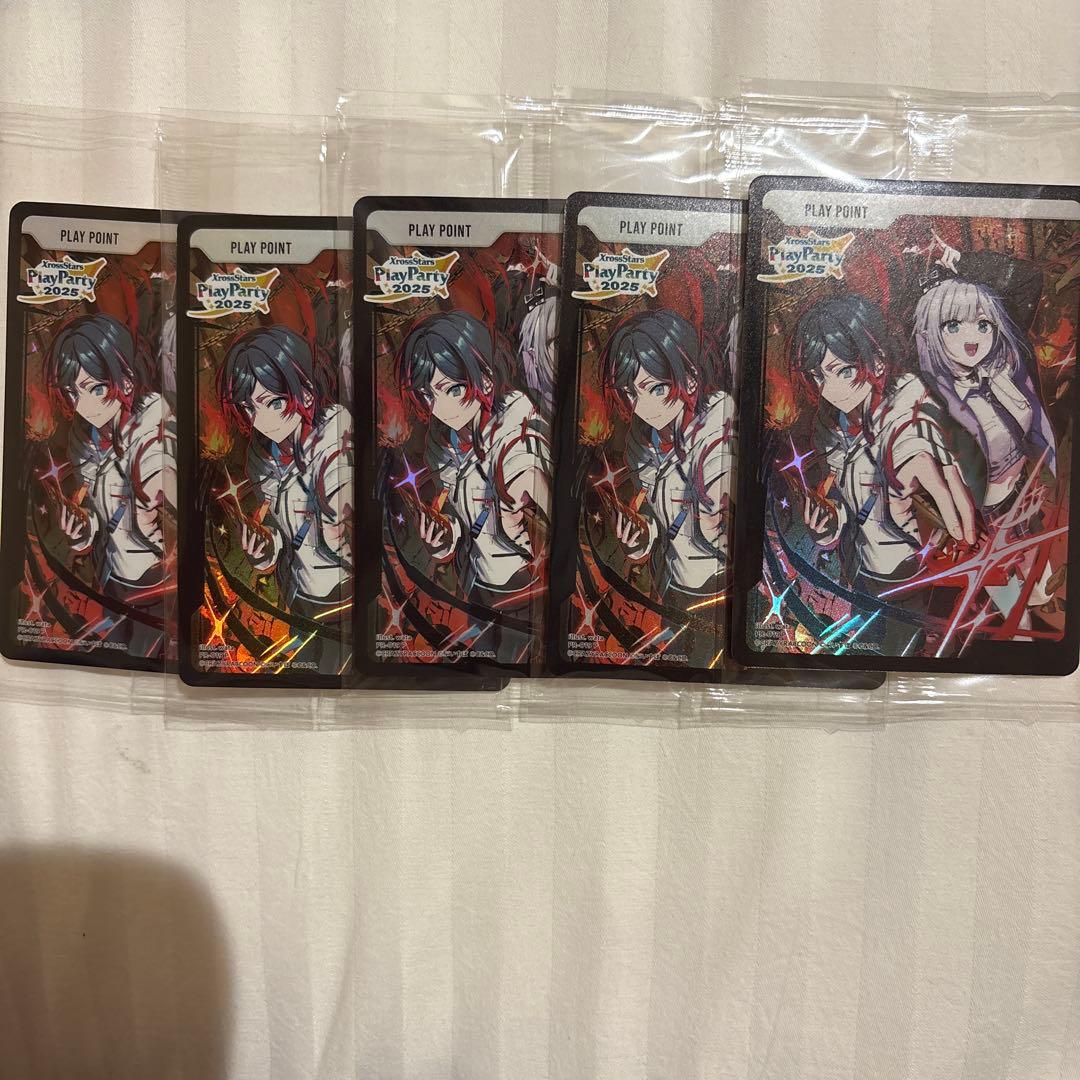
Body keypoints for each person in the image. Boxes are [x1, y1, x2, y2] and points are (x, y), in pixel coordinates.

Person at [790, 294, 977, 594]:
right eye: (818, 377)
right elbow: (850, 505)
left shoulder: (912, 412)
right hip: (867, 578)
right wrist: (829, 524)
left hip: (926, 579)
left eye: (844, 371)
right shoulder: (829, 427)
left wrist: (911, 451)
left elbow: (916, 434)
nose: (830, 390)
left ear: (877, 362)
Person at [914, 239, 1059, 617]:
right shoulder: (934, 396)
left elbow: (1027, 280)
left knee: (1041, 594)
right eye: (952, 326)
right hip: (988, 517)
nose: (972, 338)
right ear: (931, 334)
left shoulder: (1002, 365)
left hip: (1026, 494)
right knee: (1015, 612)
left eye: (982, 323)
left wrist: (957, 259)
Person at [398, 310, 550, 663]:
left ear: (485, 379)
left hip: (526, 591)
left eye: (452, 389)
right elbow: (463, 517)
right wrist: (444, 537)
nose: (440, 407)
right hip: (478, 589)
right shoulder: (443, 442)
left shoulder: (521, 438)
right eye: (427, 394)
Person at [598, 309, 734, 653]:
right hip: (674, 589)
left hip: (722, 591)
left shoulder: (720, 432)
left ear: (690, 379)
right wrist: (641, 536)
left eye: (656, 388)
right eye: (631, 393)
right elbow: (659, 517)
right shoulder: (642, 443)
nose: (643, 406)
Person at [219, 325, 351, 673]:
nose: (261, 421)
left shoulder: (338, 435)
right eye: (249, 408)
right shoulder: (260, 457)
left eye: (274, 402)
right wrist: (266, 549)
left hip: (347, 594)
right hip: (300, 597)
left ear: (305, 393)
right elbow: (285, 529)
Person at [45, 312, 175, 658]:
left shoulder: (155, 429)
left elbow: (171, 491)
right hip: (113, 578)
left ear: (126, 381)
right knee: (115, 655)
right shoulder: (83, 439)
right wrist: (82, 528)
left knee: (145, 658)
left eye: (96, 389)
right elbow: (98, 509)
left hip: (158, 581)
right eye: (72, 392)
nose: (83, 405)